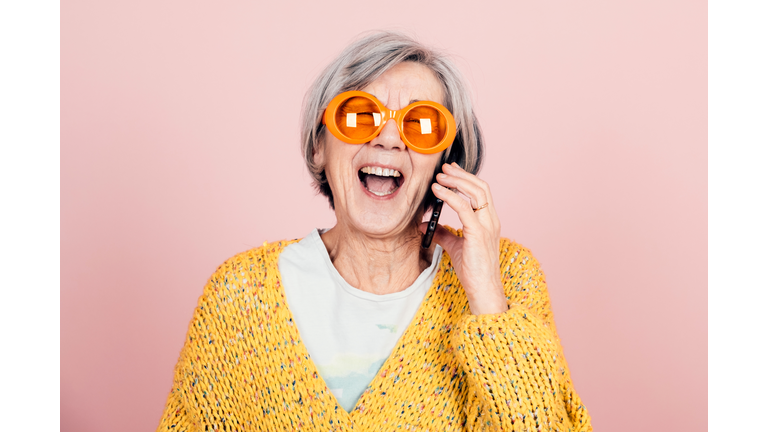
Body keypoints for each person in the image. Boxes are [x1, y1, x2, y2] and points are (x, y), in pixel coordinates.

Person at [157, 31, 592, 431]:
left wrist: (488, 302)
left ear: (446, 162)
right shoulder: (241, 294)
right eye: (359, 116)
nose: (388, 139)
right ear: (319, 146)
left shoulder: (507, 277)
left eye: (421, 124)